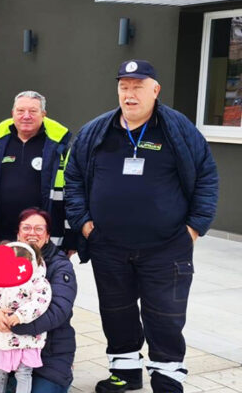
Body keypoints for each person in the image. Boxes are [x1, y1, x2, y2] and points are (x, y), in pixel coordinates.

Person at [65, 60, 219, 393]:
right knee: (116, 311)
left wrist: (195, 227)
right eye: (124, 86)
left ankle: (167, 377)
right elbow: (73, 176)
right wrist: (84, 223)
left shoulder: (177, 129)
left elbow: (206, 175)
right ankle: (126, 372)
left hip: (166, 247)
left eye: (138, 86)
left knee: (164, 314)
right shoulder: (97, 131)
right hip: (109, 245)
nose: (130, 94)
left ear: (155, 90)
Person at [0, 208, 78, 393]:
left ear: (48, 235)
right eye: (26, 228)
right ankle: (12, 376)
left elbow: (58, 310)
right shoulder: (7, 258)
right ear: (18, 232)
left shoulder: (59, 265)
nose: (32, 233)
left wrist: (14, 323)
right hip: (6, 338)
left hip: (49, 346)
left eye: (39, 229)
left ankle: (46, 377)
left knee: (44, 389)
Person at [0, 91, 71, 249]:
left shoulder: (58, 149)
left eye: (33, 111)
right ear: (13, 113)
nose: (26, 116)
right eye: (20, 111)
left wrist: (71, 239)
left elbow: (71, 195)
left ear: (43, 114)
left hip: (42, 241)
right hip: (2, 238)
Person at [0, 241, 52, 393]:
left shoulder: (37, 281)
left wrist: (21, 315)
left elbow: (41, 301)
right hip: (1, 334)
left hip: (27, 338)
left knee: (24, 373)